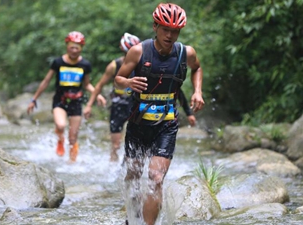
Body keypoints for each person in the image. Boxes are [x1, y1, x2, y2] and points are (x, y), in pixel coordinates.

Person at [114, 3, 204, 225]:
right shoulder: (139, 51)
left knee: (155, 178)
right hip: (138, 123)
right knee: (133, 176)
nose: (170, 35)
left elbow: (197, 68)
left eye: (175, 31)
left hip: (166, 124)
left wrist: (198, 91)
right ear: (155, 26)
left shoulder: (186, 53)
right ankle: (132, 218)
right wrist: (128, 82)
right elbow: (118, 79)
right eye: (165, 29)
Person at [27, 31, 105, 163]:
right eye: (71, 47)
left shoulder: (85, 65)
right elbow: (46, 81)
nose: (74, 50)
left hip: (76, 101)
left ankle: (72, 163)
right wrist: (34, 99)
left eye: (77, 48)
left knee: (73, 136)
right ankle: (60, 139)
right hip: (60, 100)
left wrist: (97, 95)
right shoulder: (58, 62)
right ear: (67, 46)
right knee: (61, 125)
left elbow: (87, 85)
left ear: (81, 48)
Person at [83, 32, 141, 162]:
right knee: (116, 144)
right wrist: (89, 105)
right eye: (127, 53)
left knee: (135, 142)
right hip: (118, 105)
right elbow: (99, 85)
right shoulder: (114, 65)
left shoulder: (142, 63)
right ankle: (113, 165)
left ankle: (129, 165)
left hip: (135, 104)